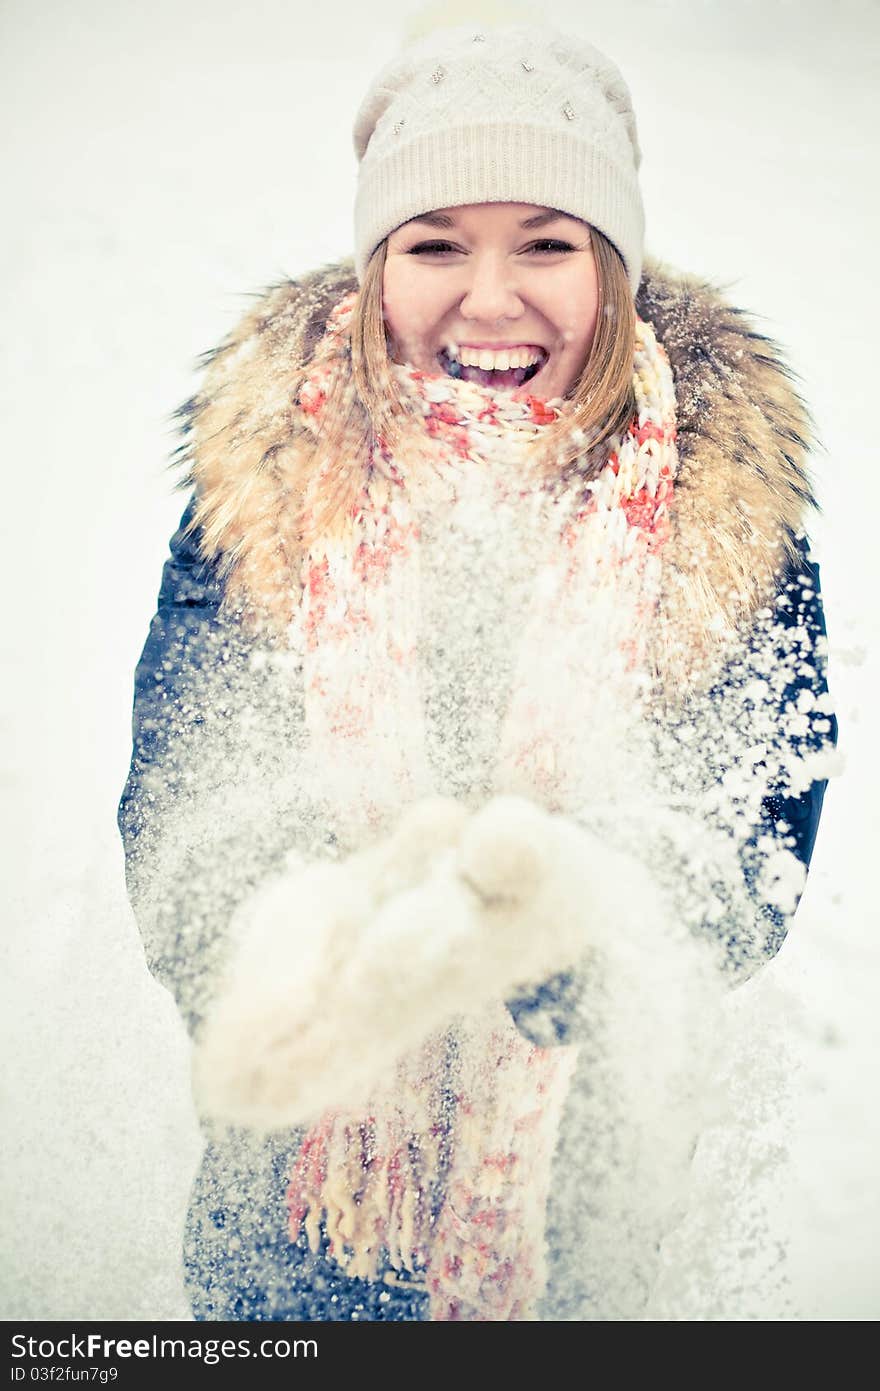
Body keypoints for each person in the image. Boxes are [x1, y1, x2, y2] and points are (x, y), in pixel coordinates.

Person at [119, 24, 836, 1322]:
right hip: (295, 1233)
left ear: (613, 270)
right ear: (377, 265)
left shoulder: (725, 511)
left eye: (548, 243)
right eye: (435, 242)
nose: (490, 297)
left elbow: (750, 844)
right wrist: (290, 943)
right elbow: (180, 813)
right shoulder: (265, 490)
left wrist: (583, 917)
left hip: (581, 1223)